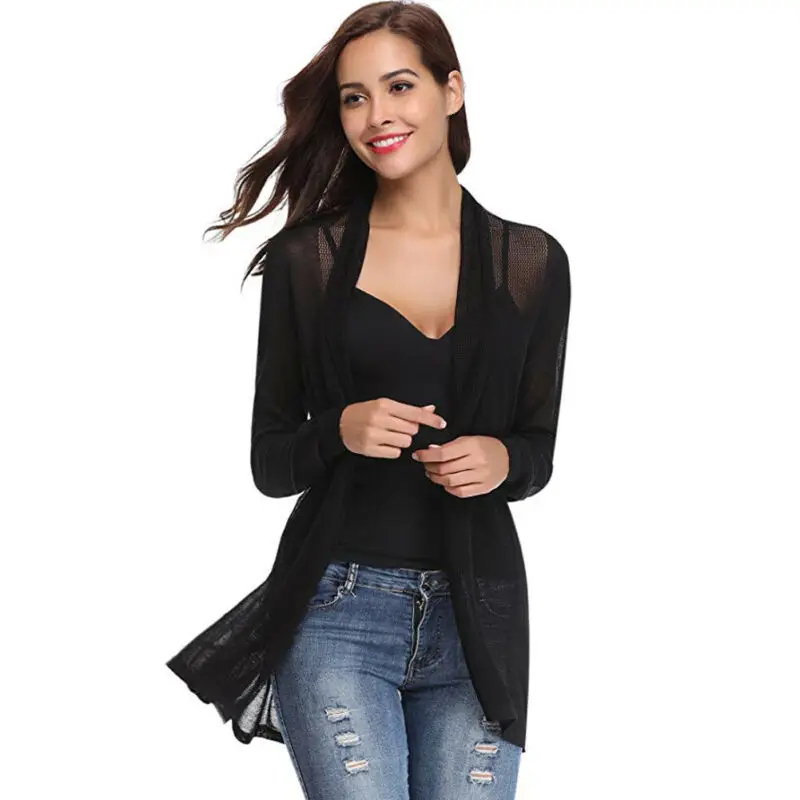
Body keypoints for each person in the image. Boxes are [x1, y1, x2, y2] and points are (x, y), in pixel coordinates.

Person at [166, 3, 571, 799]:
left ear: (451, 91)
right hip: (338, 611)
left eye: (399, 86)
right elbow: (270, 462)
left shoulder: (531, 261)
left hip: (478, 619)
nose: (377, 114)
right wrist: (339, 429)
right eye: (355, 97)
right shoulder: (308, 261)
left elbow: (537, 449)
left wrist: (502, 459)